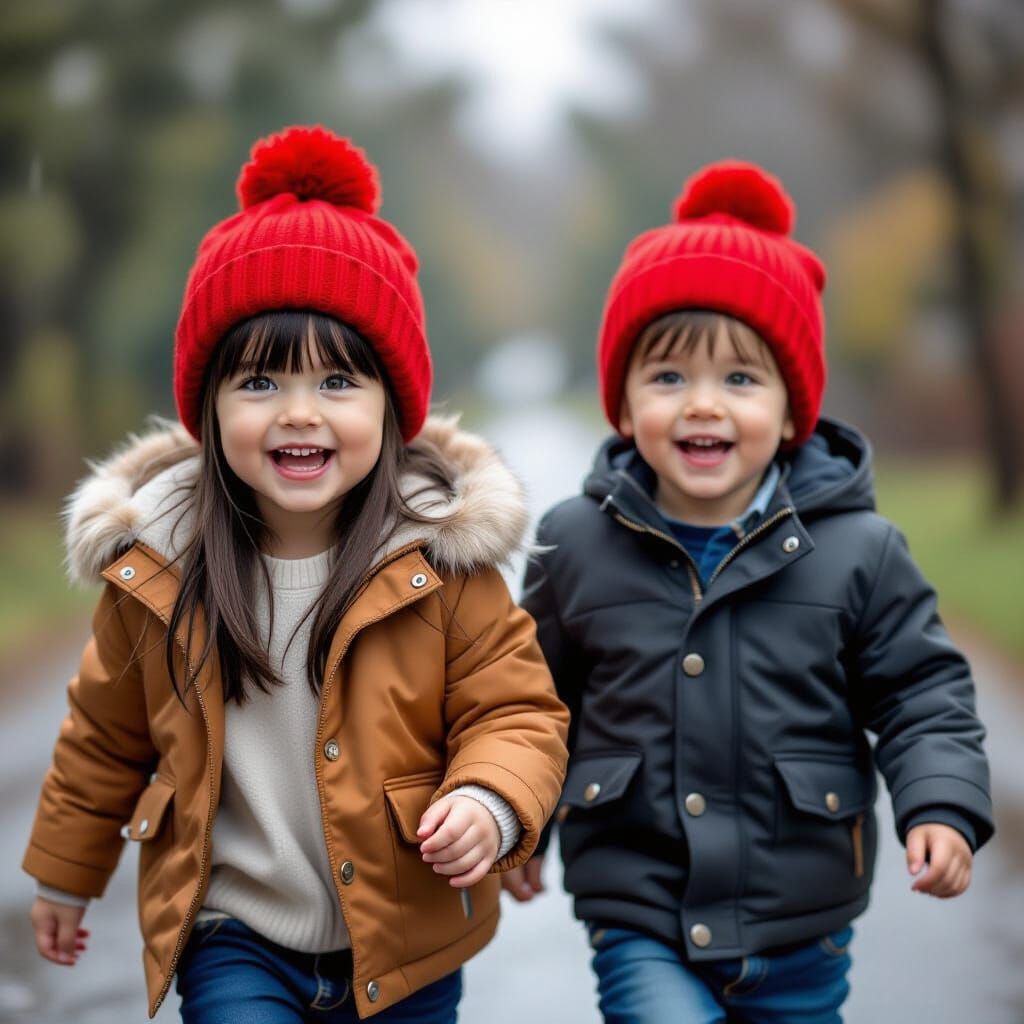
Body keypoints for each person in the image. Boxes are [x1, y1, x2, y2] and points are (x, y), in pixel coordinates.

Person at [23, 125, 569, 1023]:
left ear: (391, 405)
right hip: (233, 932)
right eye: (259, 384)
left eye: (338, 384)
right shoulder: (159, 563)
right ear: (208, 406)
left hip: (406, 942)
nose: (300, 414)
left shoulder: (438, 558)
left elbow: (515, 713)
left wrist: (491, 802)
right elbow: (103, 738)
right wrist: (64, 874)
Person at [503, 160, 993, 1023]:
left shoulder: (859, 551)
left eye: (740, 378)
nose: (704, 405)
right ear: (622, 404)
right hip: (640, 912)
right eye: (668, 378)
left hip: (802, 922)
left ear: (793, 408)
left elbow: (921, 694)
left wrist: (942, 805)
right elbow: (532, 704)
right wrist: (521, 818)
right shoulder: (575, 543)